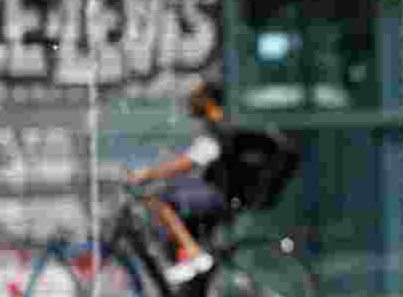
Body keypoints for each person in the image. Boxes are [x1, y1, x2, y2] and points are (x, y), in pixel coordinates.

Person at [127, 80, 298, 286]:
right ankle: (193, 271)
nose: (189, 101)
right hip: (225, 192)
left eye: (194, 96)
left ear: (207, 100)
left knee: (159, 198)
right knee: (175, 221)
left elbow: (190, 162)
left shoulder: (219, 124)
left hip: (223, 194)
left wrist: (148, 174)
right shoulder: (220, 122)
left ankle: (194, 254)